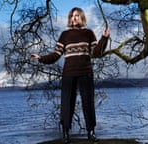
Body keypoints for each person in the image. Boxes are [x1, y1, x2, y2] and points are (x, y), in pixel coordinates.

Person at [31, 7, 110, 144]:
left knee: (88, 103)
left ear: (82, 18)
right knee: (67, 104)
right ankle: (66, 133)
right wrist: (41, 58)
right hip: (68, 74)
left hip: (85, 73)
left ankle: (91, 133)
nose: (74, 18)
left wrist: (104, 38)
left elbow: (96, 53)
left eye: (77, 15)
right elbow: (56, 55)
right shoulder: (65, 35)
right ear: (70, 19)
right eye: (72, 16)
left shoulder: (89, 33)